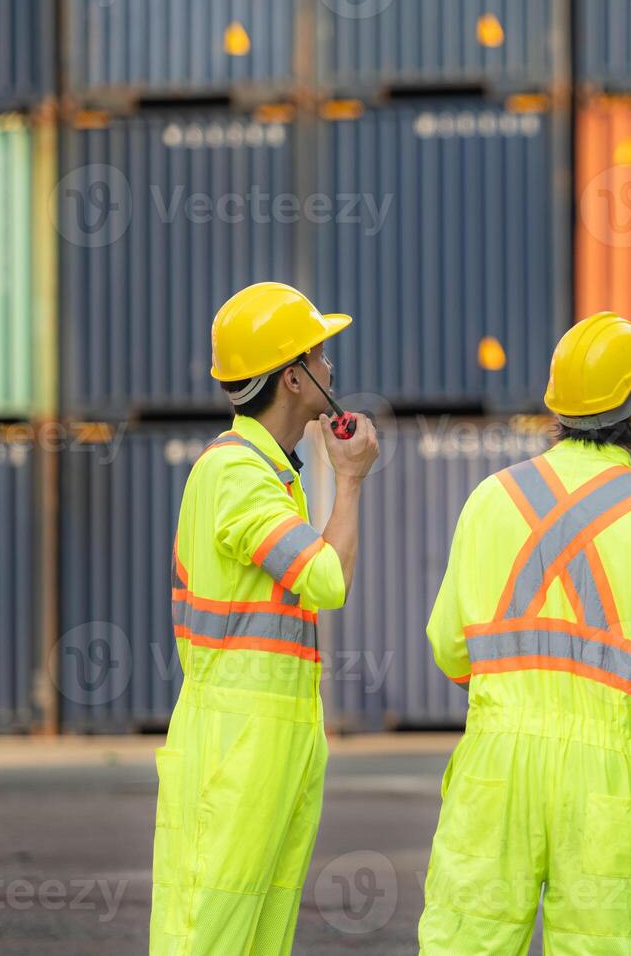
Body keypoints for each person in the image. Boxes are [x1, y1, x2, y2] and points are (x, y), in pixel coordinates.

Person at [419, 311, 631, 954]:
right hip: (603, 777)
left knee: (465, 940)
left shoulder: (489, 498)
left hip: (494, 766)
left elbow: (451, 646)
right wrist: (626, 689)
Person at [149, 282, 380, 955]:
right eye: (321, 354)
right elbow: (327, 580)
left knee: (259, 936)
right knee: (208, 934)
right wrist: (352, 480)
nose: (331, 369)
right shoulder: (237, 474)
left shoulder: (272, 474)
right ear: (295, 377)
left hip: (273, 739)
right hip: (236, 744)